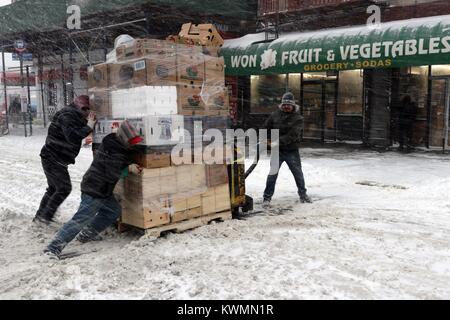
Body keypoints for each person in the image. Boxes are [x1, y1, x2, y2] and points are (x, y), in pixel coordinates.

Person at [44, 120, 143, 259]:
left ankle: (87, 234)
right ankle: (53, 247)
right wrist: (129, 168)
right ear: (124, 139)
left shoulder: (113, 142)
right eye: (132, 141)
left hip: (101, 188)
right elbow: (113, 173)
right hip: (95, 189)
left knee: (113, 211)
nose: (133, 144)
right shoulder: (116, 151)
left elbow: (117, 159)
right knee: (80, 219)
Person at [34, 95, 96, 224]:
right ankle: (45, 217)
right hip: (53, 157)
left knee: (53, 188)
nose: (88, 114)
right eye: (87, 110)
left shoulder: (72, 114)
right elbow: (73, 136)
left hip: (53, 156)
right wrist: (89, 126)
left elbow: (76, 128)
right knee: (63, 188)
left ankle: (41, 216)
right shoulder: (67, 115)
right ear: (81, 107)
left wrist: (89, 124)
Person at [263, 92, 312, 207]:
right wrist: (265, 138)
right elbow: (266, 126)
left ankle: (303, 195)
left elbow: (293, 135)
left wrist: (276, 142)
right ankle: (267, 198)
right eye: (284, 104)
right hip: (277, 151)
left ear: (293, 105)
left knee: (297, 173)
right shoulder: (275, 115)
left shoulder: (298, 118)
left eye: (288, 105)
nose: (286, 106)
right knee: (272, 175)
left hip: (291, 150)